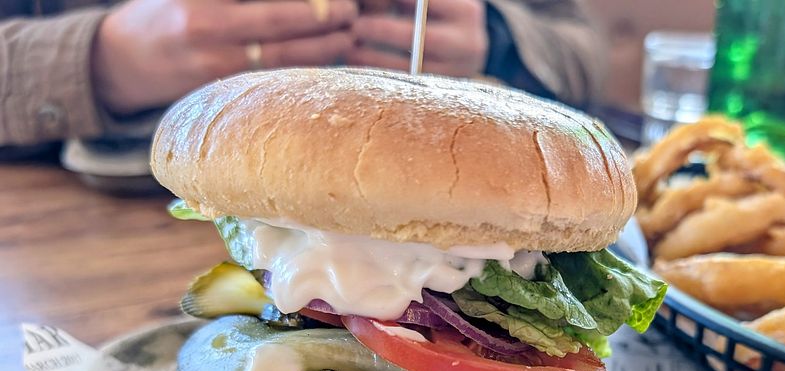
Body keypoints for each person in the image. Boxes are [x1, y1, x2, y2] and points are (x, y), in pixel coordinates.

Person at [0, 0, 603, 150]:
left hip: (450, 237)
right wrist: (96, 59)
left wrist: (496, 37)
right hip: (79, 234)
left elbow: (591, 54)